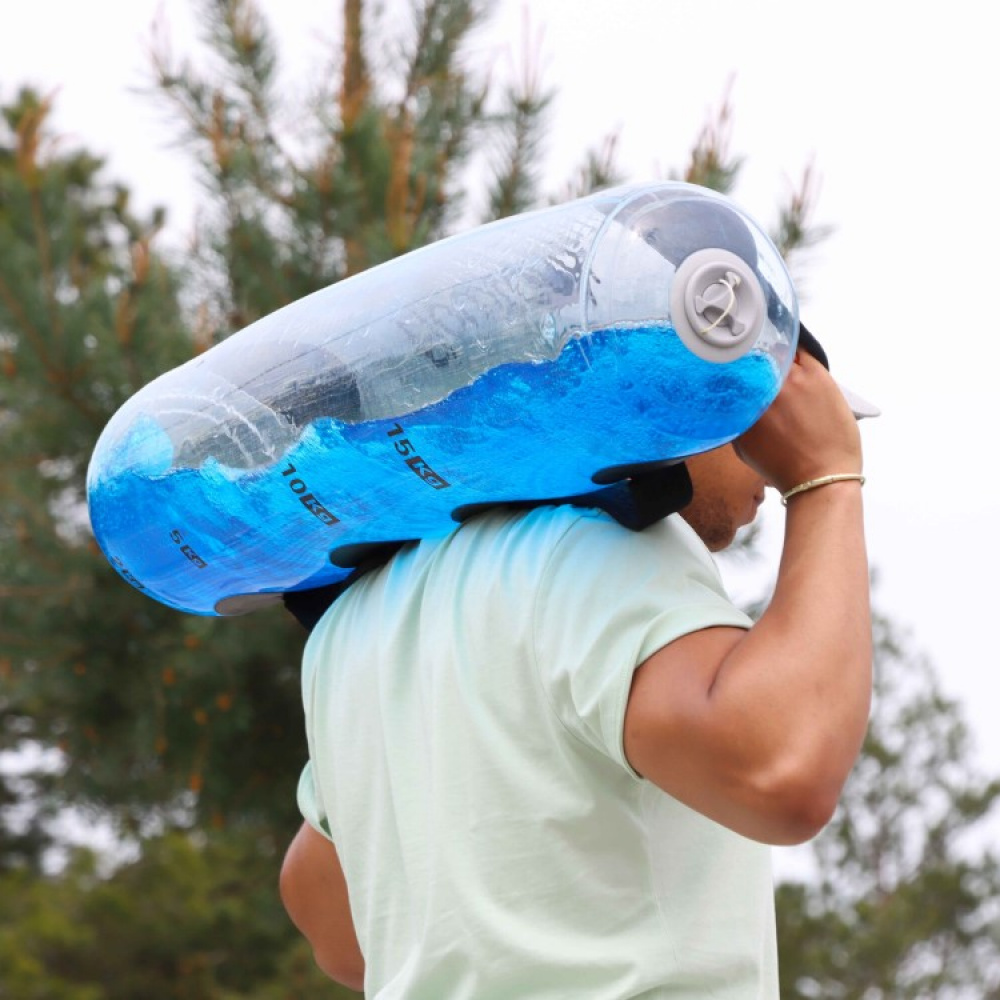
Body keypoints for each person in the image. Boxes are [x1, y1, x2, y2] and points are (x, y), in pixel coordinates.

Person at [279, 330, 876, 998]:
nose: (767, 464)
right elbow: (780, 771)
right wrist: (827, 481)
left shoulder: (353, 625)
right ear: (691, 400)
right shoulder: (608, 549)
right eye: (763, 421)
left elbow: (328, 918)